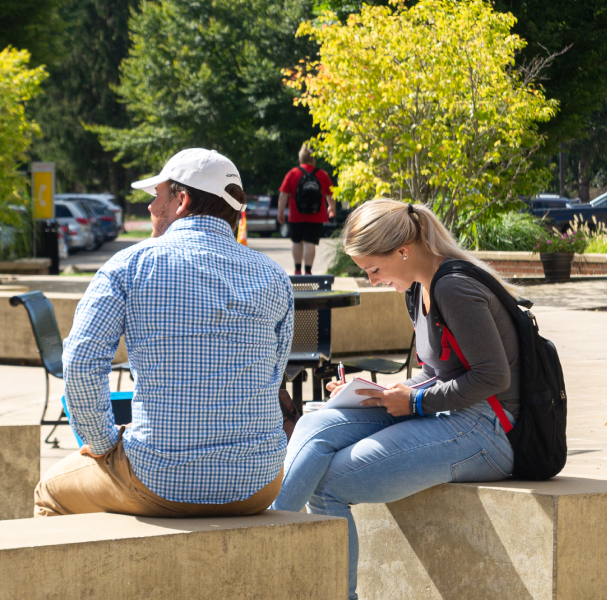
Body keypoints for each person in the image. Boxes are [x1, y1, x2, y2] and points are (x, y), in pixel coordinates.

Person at [271, 199, 520, 600]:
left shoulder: (453, 287)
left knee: (329, 484)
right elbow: (438, 371)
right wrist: (382, 392)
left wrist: (416, 403)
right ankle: (263, 534)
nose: (371, 280)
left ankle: (267, 551)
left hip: (489, 431)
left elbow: (493, 377)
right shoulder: (418, 287)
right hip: (453, 413)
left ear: (403, 251)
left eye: (374, 269)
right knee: (315, 422)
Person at [35, 148, 294, 518]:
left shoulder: (129, 265)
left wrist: (103, 442)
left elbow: (80, 363)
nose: (150, 209)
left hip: (161, 480)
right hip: (260, 482)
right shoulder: (274, 276)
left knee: (49, 493)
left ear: (182, 200)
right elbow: (273, 374)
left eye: (156, 197)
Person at [277, 145, 336, 275]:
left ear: (300, 160)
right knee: (310, 243)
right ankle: (308, 271)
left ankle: (297, 270)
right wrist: (331, 207)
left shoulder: (292, 173)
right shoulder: (322, 174)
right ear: (313, 160)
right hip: (316, 216)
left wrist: (280, 212)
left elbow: (283, 194)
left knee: (297, 242)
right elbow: (330, 194)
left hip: (296, 215)